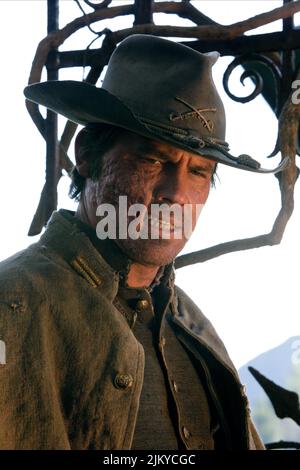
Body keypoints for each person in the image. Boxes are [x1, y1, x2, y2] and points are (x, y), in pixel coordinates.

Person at [0, 35, 287, 450]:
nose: (177, 194)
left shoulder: (191, 322)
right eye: (154, 160)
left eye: (200, 172)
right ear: (87, 155)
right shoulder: (11, 305)